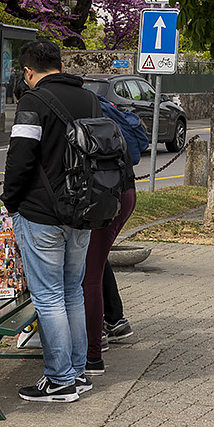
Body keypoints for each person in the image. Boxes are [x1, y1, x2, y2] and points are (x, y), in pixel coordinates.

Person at [3, 39, 95, 403]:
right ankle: (77, 373)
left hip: (42, 213)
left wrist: (10, 201)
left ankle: (59, 380)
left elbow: (21, 158)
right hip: (83, 212)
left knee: (49, 296)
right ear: (59, 63)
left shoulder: (32, 102)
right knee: (73, 290)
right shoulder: (88, 98)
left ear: (28, 71)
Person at [81, 95, 139, 376]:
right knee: (96, 261)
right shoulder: (99, 110)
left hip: (105, 199)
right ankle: (114, 321)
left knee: (89, 272)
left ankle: (93, 349)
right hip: (121, 193)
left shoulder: (76, 114)